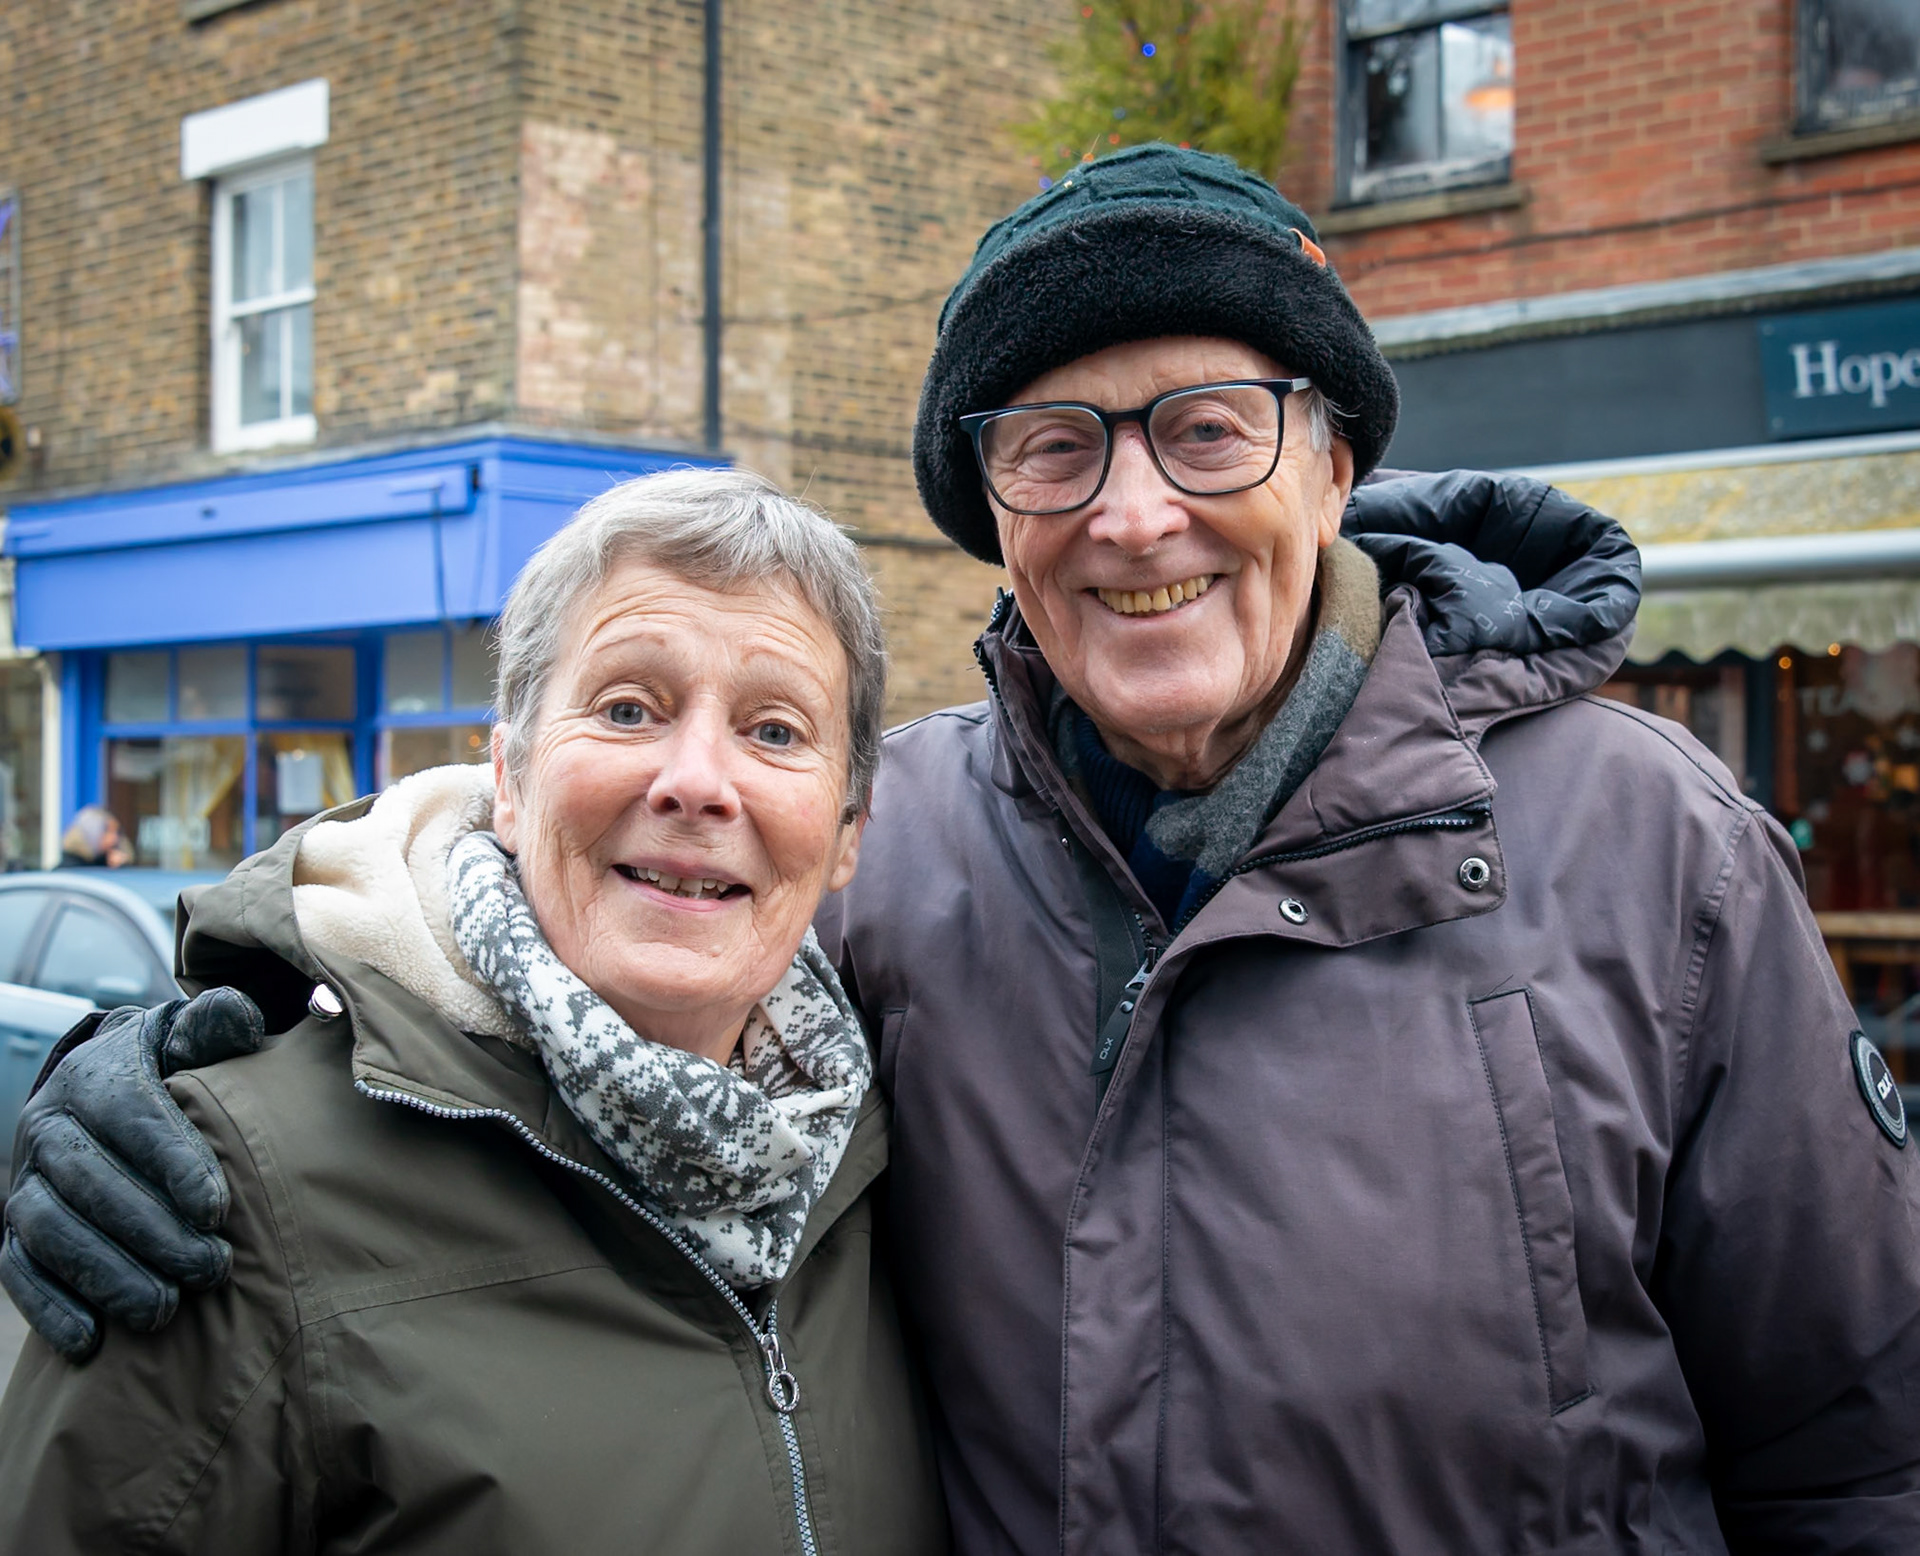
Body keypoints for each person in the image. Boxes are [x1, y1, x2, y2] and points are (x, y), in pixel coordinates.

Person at [7, 145, 1919, 1552]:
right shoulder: (888, 840)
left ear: (1335, 464)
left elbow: (1861, 1460)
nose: (1136, 511)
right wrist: (229, 997)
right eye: (1054, 446)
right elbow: (546, 898)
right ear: (996, 516)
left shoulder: (1655, 847)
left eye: (1209, 427)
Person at [0, 468, 946, 1554]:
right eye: (628, 707)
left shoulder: (886, 1162)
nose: (698, 781)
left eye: (775, 730)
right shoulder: (221, 1193)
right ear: (508, 774)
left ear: (847, 832)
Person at [57, 804, 132, 868]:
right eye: (107, 831)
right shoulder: (70, 867)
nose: (114, 838)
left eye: (117, 832)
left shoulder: (105, 862)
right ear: (92, 834)